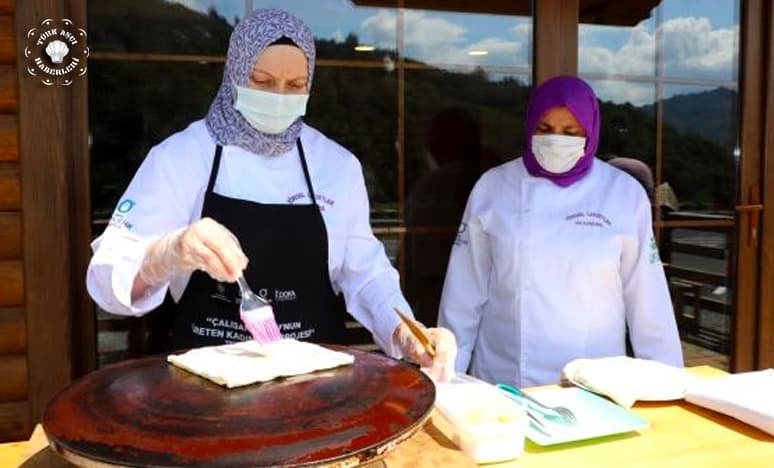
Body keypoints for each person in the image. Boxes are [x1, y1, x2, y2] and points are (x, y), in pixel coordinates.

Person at [87, 9, 455, 380]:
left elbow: (366, 273)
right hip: (207, 385)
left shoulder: (335, 166)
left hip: (317, 380)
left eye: (295, 85)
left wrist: (406, 332)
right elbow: (106, 279)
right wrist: (168, 252)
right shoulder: (182, 156)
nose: (279, 96)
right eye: (261, 81)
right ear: (235, 72)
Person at [438, 76, 682, 387]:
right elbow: (463, 293)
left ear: (590, 132)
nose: (556, 140)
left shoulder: (623, 194)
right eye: (545, 129)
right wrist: (446, 378)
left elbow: (647, 299)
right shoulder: (493, 187)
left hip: (596, 379)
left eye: (570, 132)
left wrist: (669, 382)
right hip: (505, 377)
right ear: (529, 127)